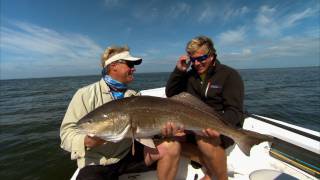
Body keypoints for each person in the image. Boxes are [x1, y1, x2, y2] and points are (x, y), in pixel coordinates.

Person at [60, 45, 181, 180]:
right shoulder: (84, 94)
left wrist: (162, 131)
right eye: (130, 64)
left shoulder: (134, 95)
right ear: (113, 66)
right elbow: (66, 133)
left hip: (128, 154)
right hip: (97, 162)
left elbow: (142, 131)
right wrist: (86, 141)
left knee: (172, 147)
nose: (133, 68)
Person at [165, 35, 244, 180]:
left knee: (204, 140)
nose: (197, 63)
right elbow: (171, 94)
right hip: (193, 125)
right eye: (193, 60)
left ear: (212, 55)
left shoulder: (229, 75)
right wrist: (179, 71)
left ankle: (218, 176)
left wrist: (217, 128)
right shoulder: (189, 76)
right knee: (167, 140)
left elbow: (235, 111)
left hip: (222, 128)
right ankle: (209, 164)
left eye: (202, 59)